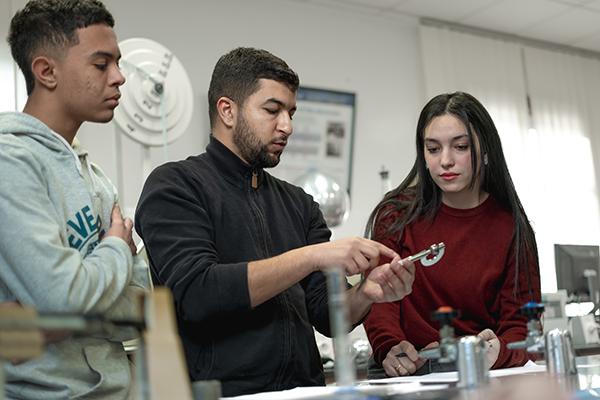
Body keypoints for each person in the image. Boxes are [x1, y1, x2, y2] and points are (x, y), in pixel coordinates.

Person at [134, 47, 416, 397]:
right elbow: (197, 294)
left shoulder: (298, 204)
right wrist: (311, 257)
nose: (288, 126)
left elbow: (328, 316)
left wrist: (365, 293)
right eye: (272, 110)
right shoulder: (175, 186)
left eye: (291, 112)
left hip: (305, 391)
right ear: (227, 111)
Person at [0, 0, 149, 398]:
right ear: (46, 71)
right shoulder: (10, 162)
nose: (119, 77)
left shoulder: (97, 179)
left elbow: (142, 305)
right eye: (102, 64)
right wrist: (116, 247)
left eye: (117, 63)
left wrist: (64, 316)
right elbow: (62, 296)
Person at [363, 91, 541, 378]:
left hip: (485, 376)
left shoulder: (511, 228)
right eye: (433, 149)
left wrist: (498, 350)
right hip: (410, 375)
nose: (445, 161)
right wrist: (389, 346)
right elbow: (379, 298)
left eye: (460, 146)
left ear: (485, 151)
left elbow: (522, 327)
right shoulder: (395, 215)